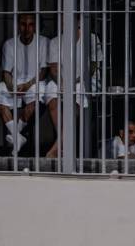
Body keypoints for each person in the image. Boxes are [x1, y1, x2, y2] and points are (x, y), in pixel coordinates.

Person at [0, 12, 56, 152]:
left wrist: (27, 85)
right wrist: (12, 87)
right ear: (18, 25)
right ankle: (18, 138)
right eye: (23, 24)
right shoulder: (10, 44)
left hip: (35, 82)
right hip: (15, 83)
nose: (27, 28)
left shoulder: (44, 42)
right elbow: (6, 73)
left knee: (37, 95)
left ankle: (15, 135)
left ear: (35, 26)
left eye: (31, 25)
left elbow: (44, 72)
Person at [43, 17, 103, 159]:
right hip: (63, 81)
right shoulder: (55, 41)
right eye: (63, 20)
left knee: (79, 93)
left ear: (78, 22)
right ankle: (64, 143)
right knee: (50, 89)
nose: (65, 23)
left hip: (86, 80)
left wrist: (72, 82)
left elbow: (93, 67)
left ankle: (57, 147)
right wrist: (62, 82)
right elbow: (54, 69)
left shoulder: (92, 39)